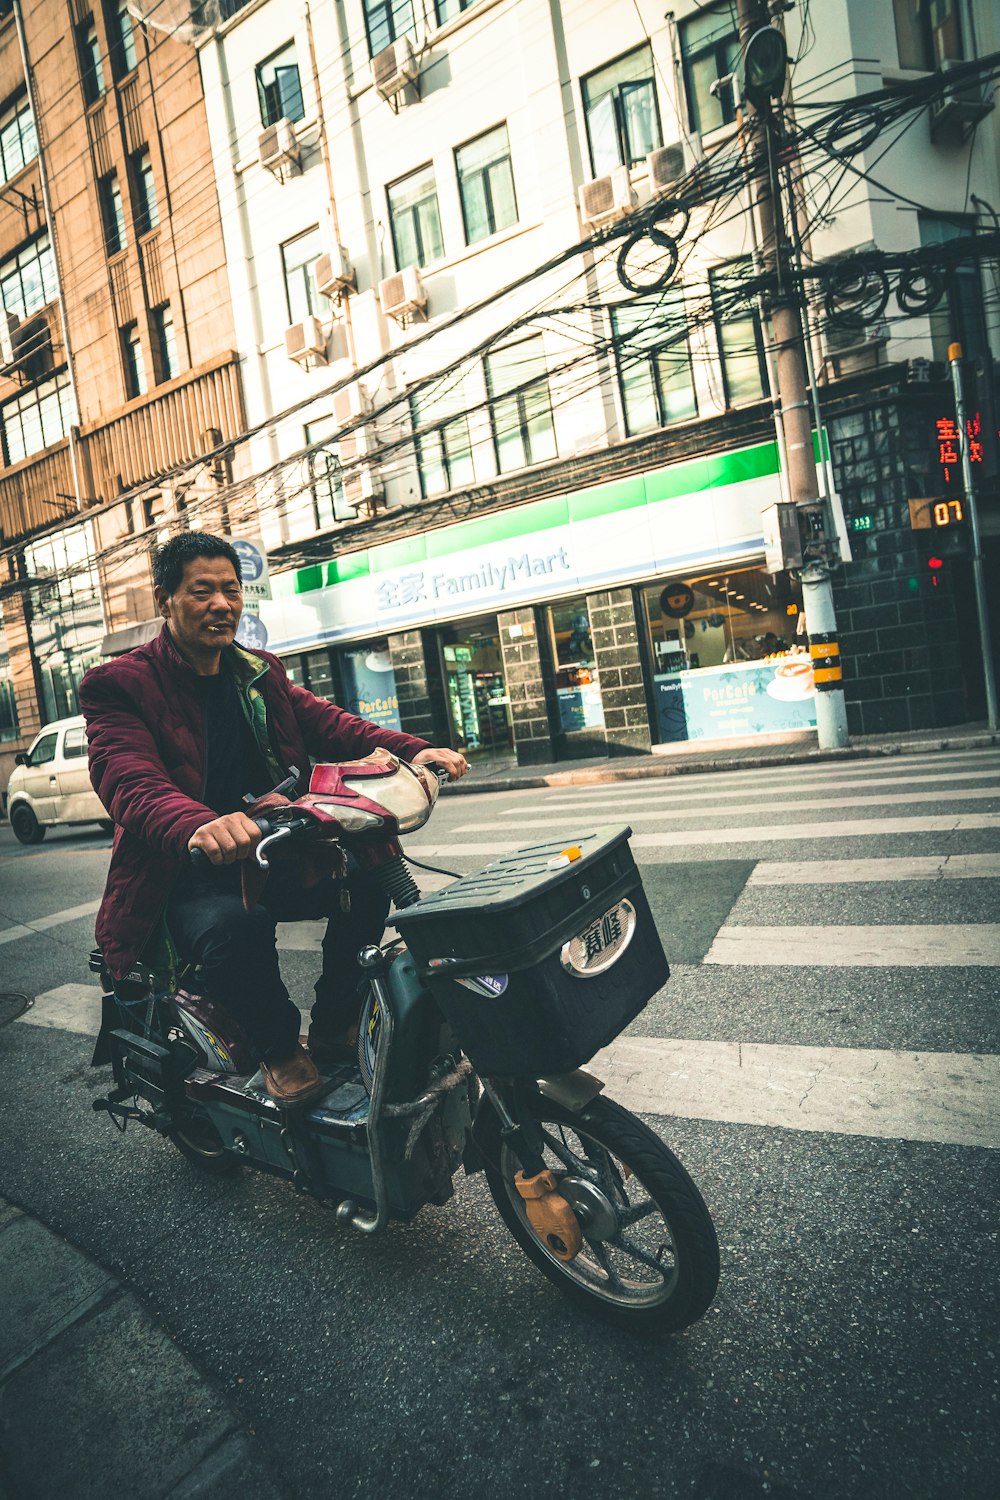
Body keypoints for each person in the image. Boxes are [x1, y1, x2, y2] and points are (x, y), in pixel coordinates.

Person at [81, 531, 467, 1108]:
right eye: (202, 591)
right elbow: (128, 778)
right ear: (165, 600)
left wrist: (414, 749)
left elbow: (334, 726)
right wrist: (194, 824)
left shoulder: (256, 671)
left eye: (230, 590)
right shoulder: (120, 684)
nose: (221, 604)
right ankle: (280, 1048)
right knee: (239, 927)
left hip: (271, 849)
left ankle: (335, 1024)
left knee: (365, 884)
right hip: (184, 871)